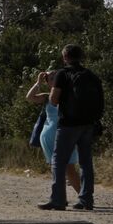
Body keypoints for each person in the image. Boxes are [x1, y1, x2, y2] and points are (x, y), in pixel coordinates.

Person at [39, 44, 104, 211]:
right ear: (81, 56)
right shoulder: (91, 76)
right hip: (88, 124)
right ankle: (86, 200)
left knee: (58, 161)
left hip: (68, 124)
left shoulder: (63, 73)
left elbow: (53, 100)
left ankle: (58, 200)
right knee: (85, 163)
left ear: (65, 57)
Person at [27, 70, 82, 200]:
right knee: (57, 168)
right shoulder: (47, 97)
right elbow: (29, 97)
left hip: (66, 135)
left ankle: (83, 196)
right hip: (49, 136)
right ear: (48, 83)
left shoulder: (69, 94)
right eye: (51, 78)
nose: (55, 80)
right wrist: (38, 83)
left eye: (56, 77)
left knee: (70, 168)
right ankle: (60, 197)